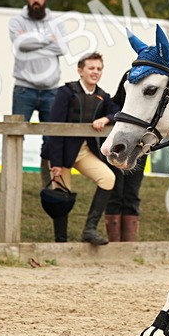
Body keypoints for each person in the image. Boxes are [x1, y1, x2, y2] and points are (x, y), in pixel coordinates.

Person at [42, 53, 119, 245]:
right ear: (80, 70)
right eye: (91, 68)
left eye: (99, 69)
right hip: (61, 154)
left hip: (84, 153)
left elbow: (117, 110)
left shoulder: (102, 95)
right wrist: (57, 163)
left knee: (108, 179)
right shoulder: (65, 92)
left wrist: (106, 118)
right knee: (61, 195)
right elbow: (55, 128)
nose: (95, 72)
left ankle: (89, 230)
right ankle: (61, 242)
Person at [10, 0, 67, 186]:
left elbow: (61, 47)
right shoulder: (16, 21)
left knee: (51, 139)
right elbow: (20, 44)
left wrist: (31, 39)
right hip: (24, 89)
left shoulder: (56, 22)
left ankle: (49, 183)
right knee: (15, 137)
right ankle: (13, 181)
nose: (35, 0)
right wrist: (46, 40)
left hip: (51, 91)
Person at [104, 63, 146, 242]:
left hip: (140, 142)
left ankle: (129, 244)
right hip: (120, 142)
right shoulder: (130, 75)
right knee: (116, 191)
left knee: (132, 192)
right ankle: (115, 244)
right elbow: (116, 104)